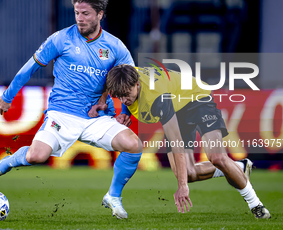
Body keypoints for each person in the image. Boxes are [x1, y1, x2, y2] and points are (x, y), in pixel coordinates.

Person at [0, 0, 143, 220]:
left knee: (134, 145)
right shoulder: (60, 39)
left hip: (96, 116)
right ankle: (9, 163)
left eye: (86, 13)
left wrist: (126, 110)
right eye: (77, 13)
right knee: (36, 156)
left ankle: (113, 196)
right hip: (62, 113)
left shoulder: (115, 46)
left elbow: (130, 81)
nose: (80, 18)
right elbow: (30, 68)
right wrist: (7, 97)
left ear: (100, 14)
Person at [104, 64, 271, 219]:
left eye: (126, 94)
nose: (124, 99)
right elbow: (122, 89)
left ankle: (256, 204)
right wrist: (125, 111)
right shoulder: (126, 76)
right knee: (188, 173)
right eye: (119, 96)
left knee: (217, 157)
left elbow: (177, 143)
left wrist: (182, 187)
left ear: (138, 84)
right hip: (177, 108)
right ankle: (239, 166)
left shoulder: (157, 98)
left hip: (198, 99)